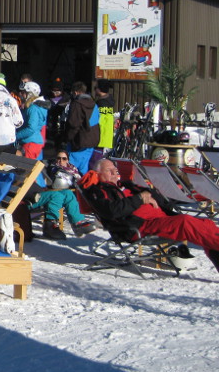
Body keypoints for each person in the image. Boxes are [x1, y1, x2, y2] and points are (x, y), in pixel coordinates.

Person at [84, 159, 219, 273]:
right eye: (109, 170)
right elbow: (111, 211)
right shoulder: (98, 191)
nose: (114, 173)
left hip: (161, 220)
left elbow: (160, 201)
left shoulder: (127, 185)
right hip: (139, 227)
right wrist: (140, 199)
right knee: (185, 222)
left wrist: (151, 196)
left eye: (115, 169)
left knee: (206, 224)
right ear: (98, 174)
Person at [63, 81, 100, 174]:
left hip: (79, 142)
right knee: (84, 169)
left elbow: (73, 124)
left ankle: (71, 186)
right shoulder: (94, 104)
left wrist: (67, 138)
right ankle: (83, 186)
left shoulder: (77, 104)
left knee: (70, 169)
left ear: (75, 92)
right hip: (92, 141)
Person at [15, 81, 50, 160]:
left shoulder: (33, 108)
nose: (21, 95)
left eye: (23, 93)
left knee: (25, 169)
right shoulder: (35, 107)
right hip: (32, 142)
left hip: (30, 143)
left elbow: (31, 128)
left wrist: (16, 136)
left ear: (30, 94)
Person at [92, 79, 115, 167]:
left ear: (99, 89)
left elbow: (97, 122)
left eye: (95, 88)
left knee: (96, 165)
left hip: (100, 138)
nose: (94, 90)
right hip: (107, 138)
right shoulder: (110, 102)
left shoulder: (100, 104)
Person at [46, 78, 70, 152]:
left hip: (61, 127)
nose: (55, 93)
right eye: (54, 91)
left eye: (58, 91)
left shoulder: (67, 99)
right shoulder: (47, 99)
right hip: (50, 127)